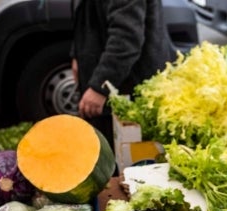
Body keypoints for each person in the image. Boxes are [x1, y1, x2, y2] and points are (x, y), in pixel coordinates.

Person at [70, 0, 176, 149]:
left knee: (125, 159)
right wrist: (76, 54)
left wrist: (100, 87)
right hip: (115, 84)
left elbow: (126, 40)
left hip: (129, 86)